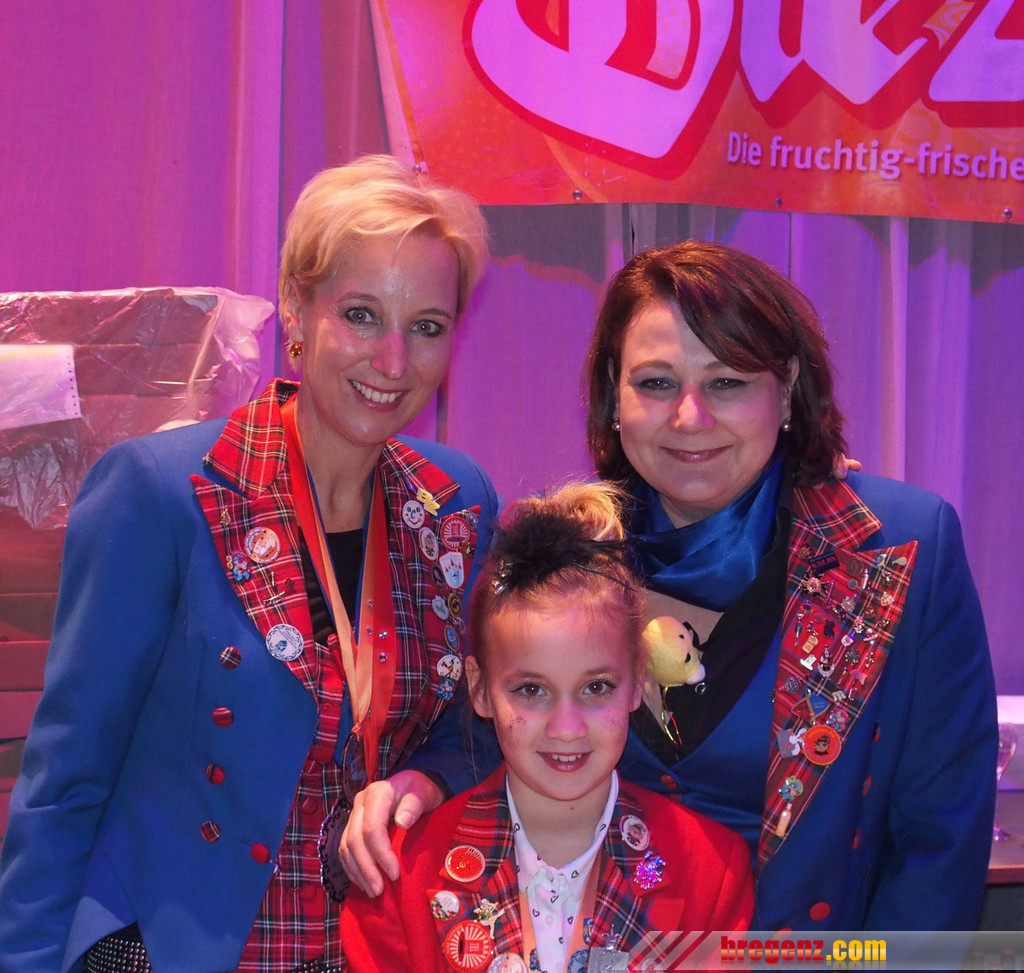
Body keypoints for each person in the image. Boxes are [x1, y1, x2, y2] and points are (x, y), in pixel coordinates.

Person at [0, 155, 499, 972]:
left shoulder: (457, 504)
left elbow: (476, 724)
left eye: (428, 327)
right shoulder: (163, 492)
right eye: (363, 315)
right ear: (297, 308)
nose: (394, 360)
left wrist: (424, 783)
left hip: (374, 946)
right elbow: (67, 775)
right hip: (174, 947)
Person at [583, 239, 997, 931]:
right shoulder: (567, 548)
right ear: (614, 393)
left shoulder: (902, 543)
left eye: (728, 382)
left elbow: (941, 837)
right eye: (656, 383)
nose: (690, 417)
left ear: (787, 387)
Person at [340, 482, 753, 973]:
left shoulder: (713, 871)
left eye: (596, 687)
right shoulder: (401, 872)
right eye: (531, 690)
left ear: (637, 682)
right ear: (480, 689)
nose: (566, 728)